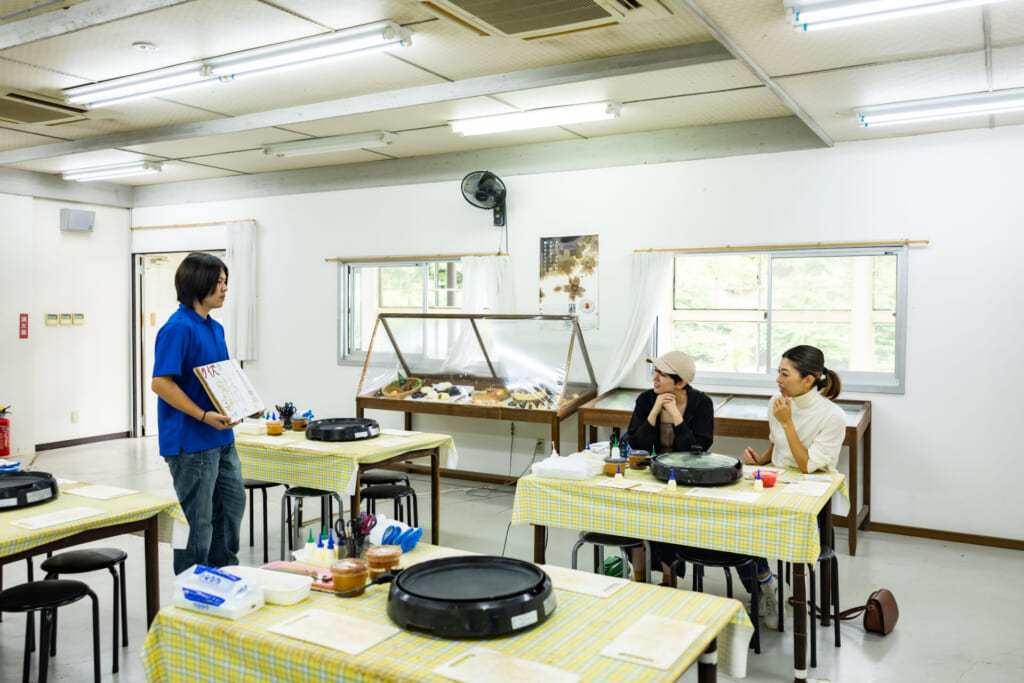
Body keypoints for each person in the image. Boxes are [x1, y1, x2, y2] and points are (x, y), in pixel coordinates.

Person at [151, 253, 247, 575]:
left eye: (225, 282)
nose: (224, 289)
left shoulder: (214, 328)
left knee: (231, 510)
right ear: (197, 284)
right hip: (191, 443)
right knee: (198, 523)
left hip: (221, 437)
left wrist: (243, 402)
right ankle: (192, 590)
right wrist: (203, 416)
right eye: (219, 282)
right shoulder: (177, 329)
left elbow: (220, 379)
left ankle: (223, 576)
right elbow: (161, 384)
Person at [740, 344, 845, 629]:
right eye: (778, 373)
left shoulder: (832, 416)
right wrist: (760, 460)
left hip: (809, 492)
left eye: (785, 374)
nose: (778, 380)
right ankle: (767, 584)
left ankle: (778, 590)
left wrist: (788, 423)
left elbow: (807, 465)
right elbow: (778, 448)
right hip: (776, 483)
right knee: (736, 522)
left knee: (778, 531)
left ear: (808, 380)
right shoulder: (777, 401)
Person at [621, 350, 714, 584]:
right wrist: (653, 413)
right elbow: (636, 444)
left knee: (670, 521)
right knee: (633, 516)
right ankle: (639, 579)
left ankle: (667, 580)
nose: (655, 378)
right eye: (655, 372)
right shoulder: (645, 400)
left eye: (662, 375)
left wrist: (675, 416)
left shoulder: (702, 403)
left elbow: (698, 449)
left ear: (681, 382)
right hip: (649, 474)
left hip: (684, 478)